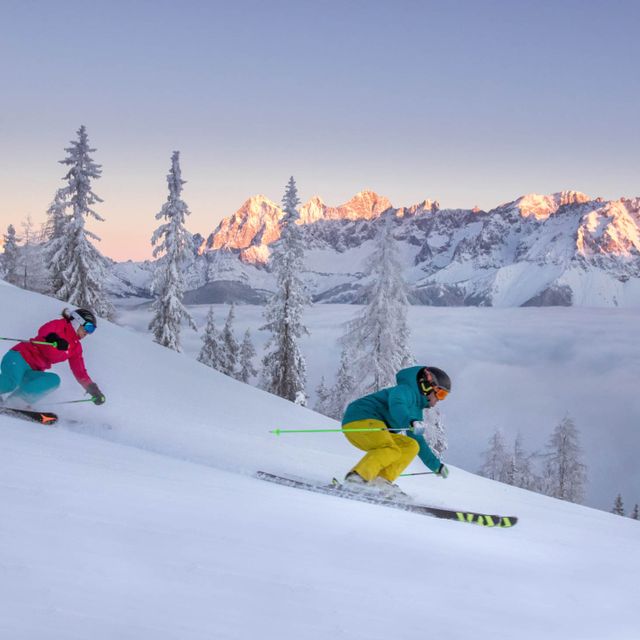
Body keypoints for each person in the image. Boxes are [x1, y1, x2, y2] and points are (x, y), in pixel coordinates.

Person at [341, 365, 451, 497]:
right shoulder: (405, 390)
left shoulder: (416, 410)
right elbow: (397, 404)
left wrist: (436, 466)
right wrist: (409, 421)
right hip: (360, 419)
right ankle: (357, 478)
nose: (440, 399)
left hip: (375, 429)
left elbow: (419, 441)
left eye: (444, 396)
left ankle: (381, 481)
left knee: (410, 445)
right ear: (427, 386)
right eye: (440, 393)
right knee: (390, 448)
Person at [0, 308, 105, 407]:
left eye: (92, 330)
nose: (88, 332)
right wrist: (54, 338)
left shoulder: (75, 347)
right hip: (19, 358)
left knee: (53, 380)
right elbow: (44, 330)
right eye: (88, 327)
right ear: (76, 322)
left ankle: (15, 403)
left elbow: (80, 371)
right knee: (10, 383)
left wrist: (93, 389)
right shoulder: (60, 325)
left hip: (32, 371)